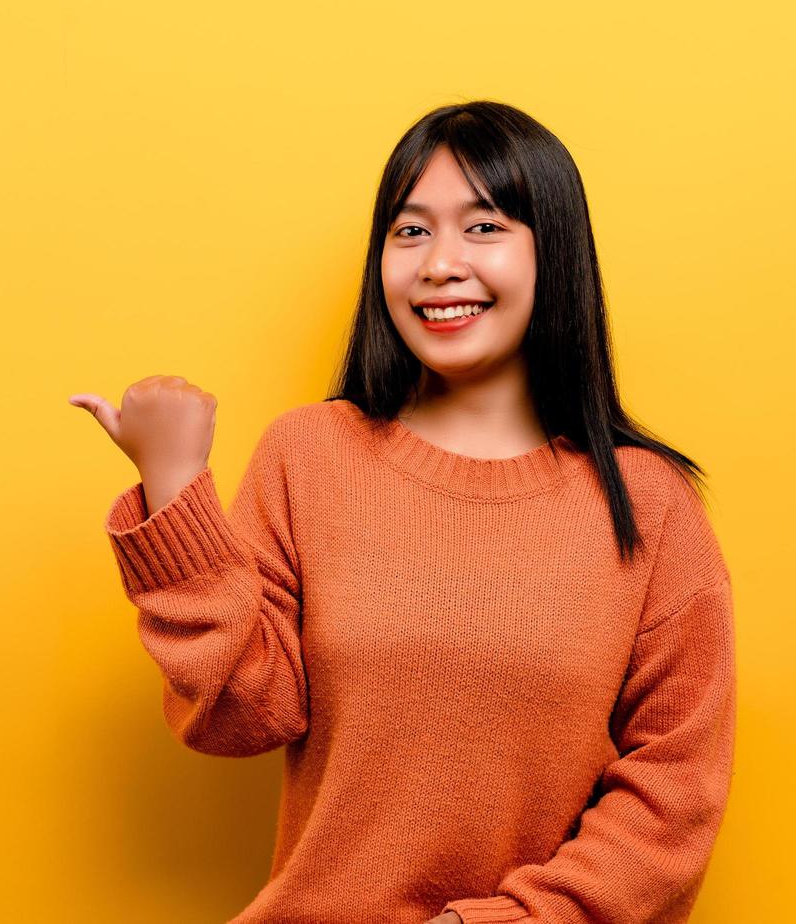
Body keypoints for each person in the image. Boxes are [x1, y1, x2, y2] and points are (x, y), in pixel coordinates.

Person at [68, 101, 736, 923]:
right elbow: (242, 713)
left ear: (554, 253)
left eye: (484, 228)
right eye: (410, 231)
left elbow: (675, 794)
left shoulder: (649, 505)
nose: (439, 264)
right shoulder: (311, 454)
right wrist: (172, 490)